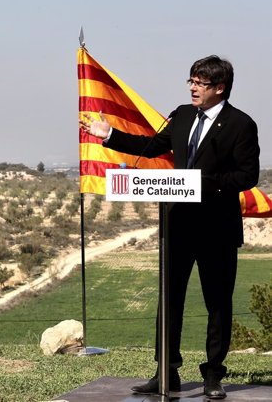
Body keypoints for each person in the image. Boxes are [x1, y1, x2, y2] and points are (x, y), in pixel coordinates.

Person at [80, 55, 259, 399]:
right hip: (177, 225)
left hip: (216, 227)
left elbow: (247, 175)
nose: (192, 87)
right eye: (190, 80)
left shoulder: (241, 124)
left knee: (217, 302)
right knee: (169, 300)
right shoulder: (181, 115)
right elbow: (150, 147)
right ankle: (167, 372)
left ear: (219, 88)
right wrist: (109, 135)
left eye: (200, 83)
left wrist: (202, 183)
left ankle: (213, 377)